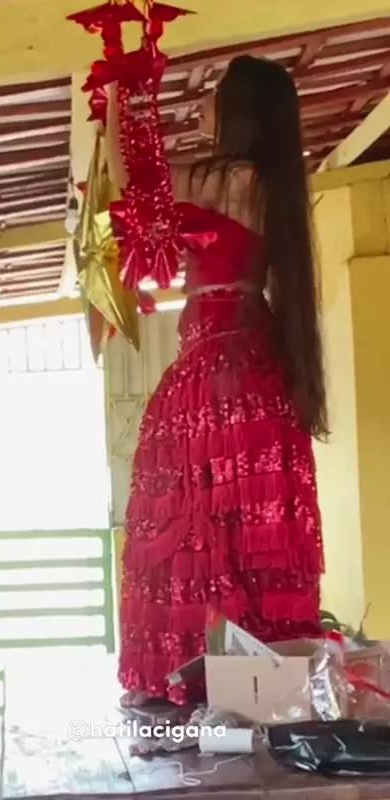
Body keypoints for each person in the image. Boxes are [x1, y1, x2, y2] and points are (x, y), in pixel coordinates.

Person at [106, 55, 328, 707]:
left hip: (212, 378)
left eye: (215, 94)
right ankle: (259, 694)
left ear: (241, 111)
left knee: (188, 527)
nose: (203, 102)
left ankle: (199, 688)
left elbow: (129, 180)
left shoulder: (223, 178)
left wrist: (116, 95)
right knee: (247, 536)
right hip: (259, 378)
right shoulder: (278, 186)